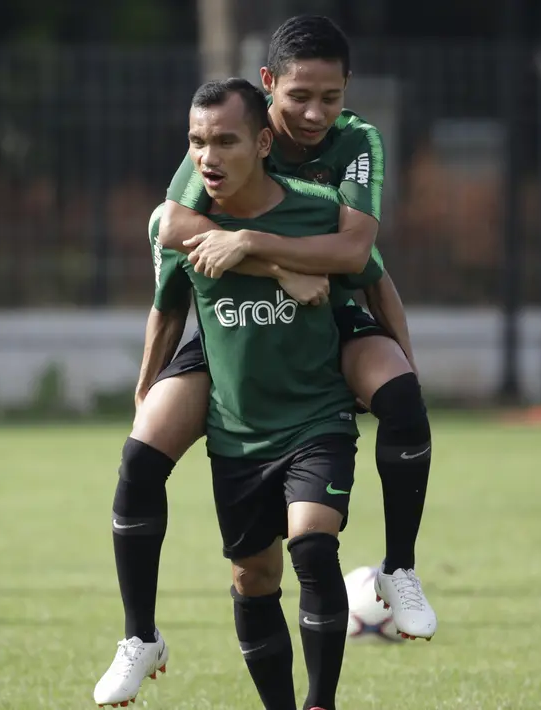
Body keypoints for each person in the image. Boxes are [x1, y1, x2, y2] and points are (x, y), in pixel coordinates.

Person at [95, 15, 437, 706]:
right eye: (298, 97)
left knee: (399, 401)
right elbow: (168, 226)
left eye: (330, 97)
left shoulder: (351, 147)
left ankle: (399, 570)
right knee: (141, 462)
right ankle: (139, 636)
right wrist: (270, 265)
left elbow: (359, 259)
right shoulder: (223, 139)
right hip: (230, 332)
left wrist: (254, 245)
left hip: (325, 318)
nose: (314, 113)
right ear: (268, 88)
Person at [122, 78, 372, 710]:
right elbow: (167, 305)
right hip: (238, 432)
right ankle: (143, 638)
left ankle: (321, 702)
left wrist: (400, 367)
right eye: (197, 142)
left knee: (313, 543)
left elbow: (370, 269)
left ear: (263, 142)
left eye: (225, 141)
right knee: (253, 576)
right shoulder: (188, 223)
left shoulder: (318, 208)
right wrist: (146, 383)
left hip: (317, 417)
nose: (208, 156)